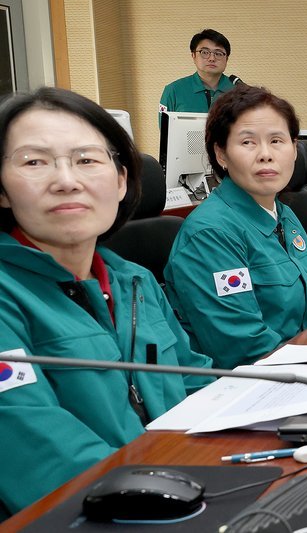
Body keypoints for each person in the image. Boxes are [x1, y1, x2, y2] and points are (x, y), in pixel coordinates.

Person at [0, 87, 213, 517]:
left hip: (185, 486)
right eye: (34, 162)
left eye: (87, 160)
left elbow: (197, 386)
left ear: (120, 181)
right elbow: (42, 458)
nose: (66, 180)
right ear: (2, 190)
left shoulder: (135, 281)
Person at [164, 84, 307, 369]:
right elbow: (244, 347)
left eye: (277, 140)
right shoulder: (211, 234)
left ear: (294, 149)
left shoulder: (285, 215)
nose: (266, 154)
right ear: (221, 154)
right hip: (256, 381)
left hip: (306, 365)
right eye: (248, 142)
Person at [158, 28, 240, 115]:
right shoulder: (173, 90)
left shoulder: (239, 92)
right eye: (205, 52)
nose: (212, 58)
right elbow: (164, 124)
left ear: (226, 59)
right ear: (193, 56)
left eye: (218, 53)